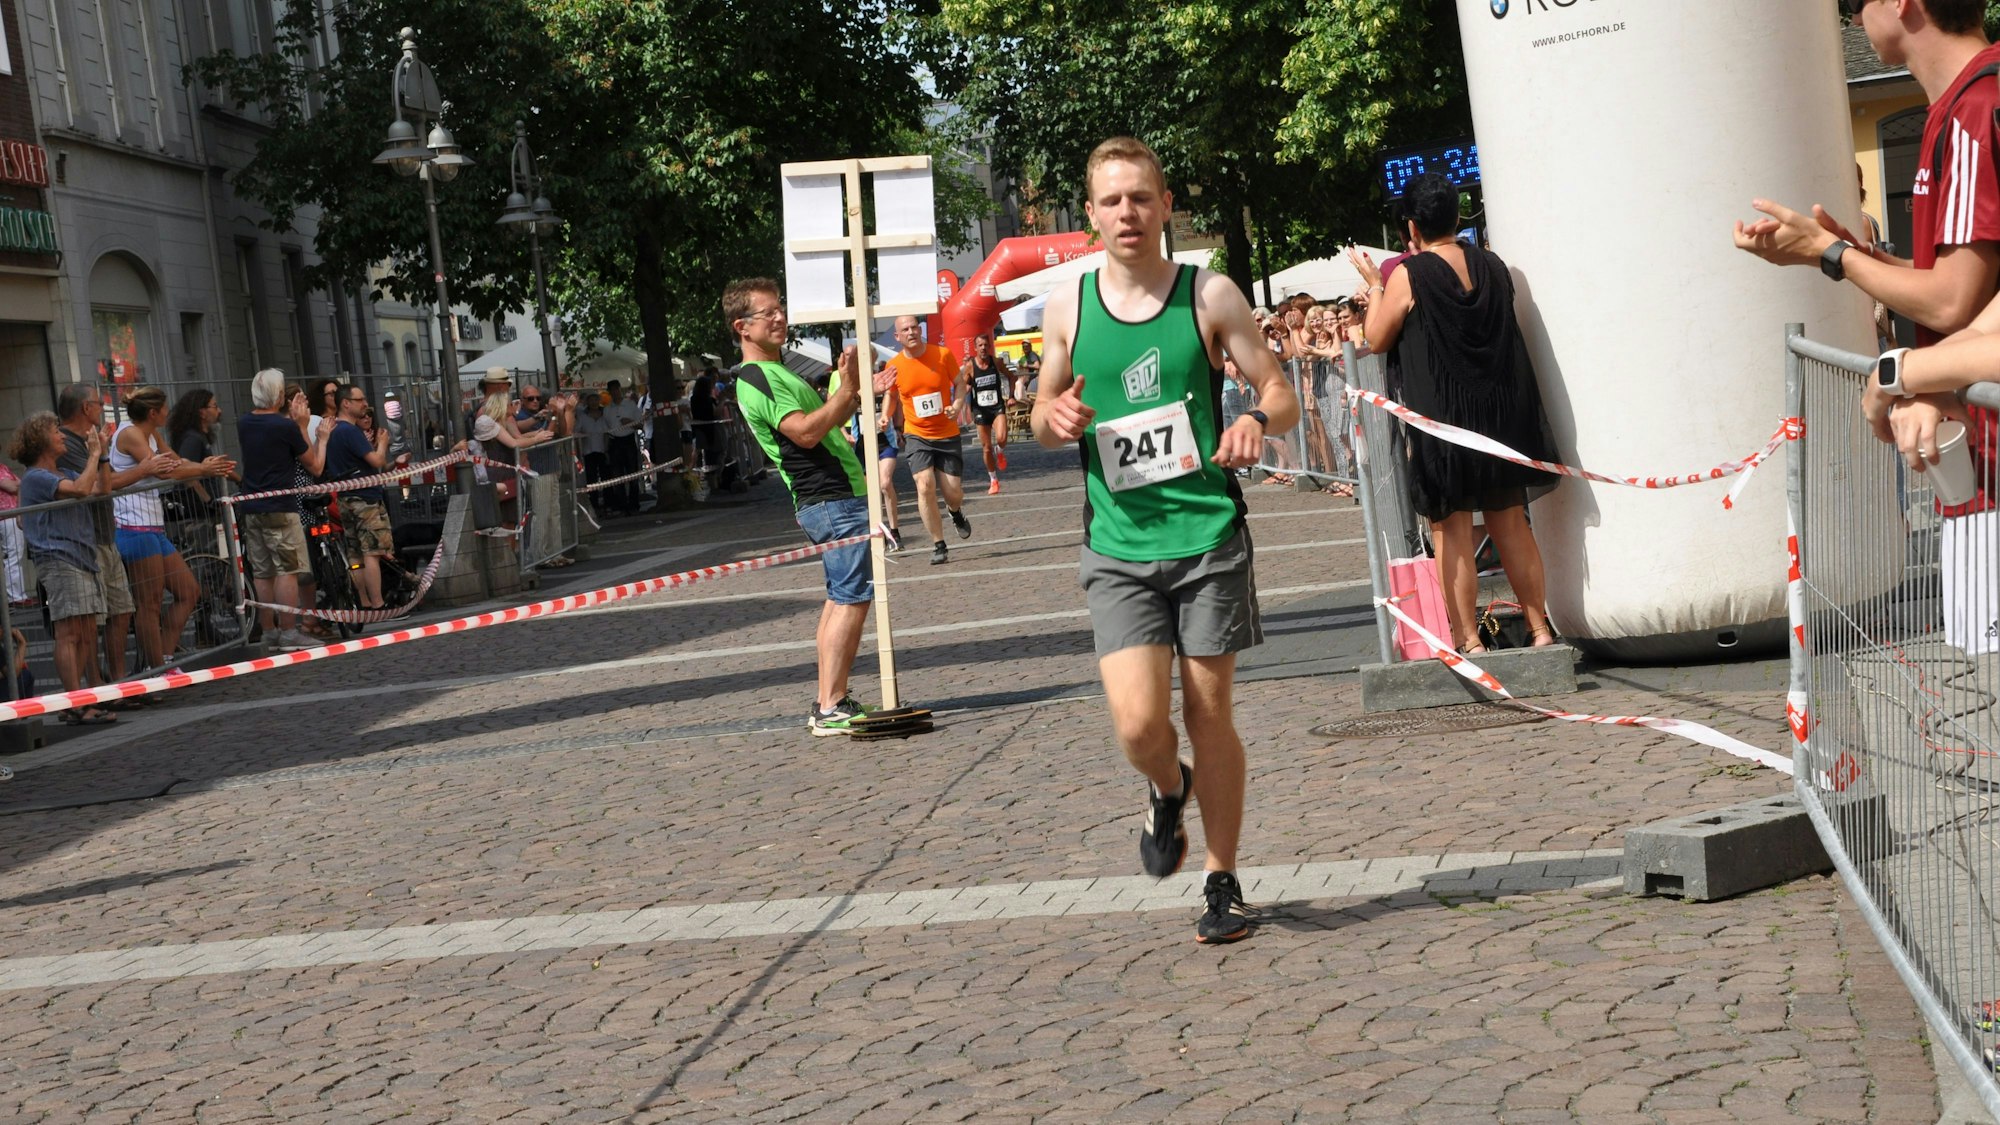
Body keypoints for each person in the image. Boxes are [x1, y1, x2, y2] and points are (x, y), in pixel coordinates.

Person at [1031, 136, 1298, 945]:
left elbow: (1280, 389)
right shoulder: (1070, 304)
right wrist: (1056, 416)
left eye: (1140, 198)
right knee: (1139, 725)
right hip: (1116, 545)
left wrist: (1255, 419)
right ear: (1090, 215)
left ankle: (1223, 878)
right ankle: (1165, 782)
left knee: (1209, 708)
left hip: (1207, 536)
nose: (1127, 213)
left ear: (1165, 204)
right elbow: (1043, 415)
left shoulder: (1209, 294)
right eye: (1111, 201)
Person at [1349, 171, 1560, 654]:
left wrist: (1376, 285)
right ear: (1459, 215)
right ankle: (1540, 630)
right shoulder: (1492, 264)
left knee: (1452, 529)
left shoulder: (1410, 273)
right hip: (1501, 414)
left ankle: (1470, 640)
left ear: (1411, 228)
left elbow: (1377, 338)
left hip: (1443, 420)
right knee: (1510, 520)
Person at [724, 277, 896, 735]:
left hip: (833, 496)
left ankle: (827, 699)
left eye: (780, 307)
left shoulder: (777, 372)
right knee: (851, 598)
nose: (780, 317)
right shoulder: (757, 377)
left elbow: (827, 421)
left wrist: (858, 389)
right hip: (830, 498)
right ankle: (831, 705)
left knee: (840, 598)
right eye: (768, 313)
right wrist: (847, 391)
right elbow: (805, 432)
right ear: (743, 327)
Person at [108, 386, 234, 671]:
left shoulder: (150, 432)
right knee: (149, 604)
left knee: (189, 592)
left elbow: (176, 461)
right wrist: (202, 470)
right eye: (164, 408)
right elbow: (169, 471)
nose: (169, 412)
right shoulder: (130, 434)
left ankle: (162, 659)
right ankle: (155, 668)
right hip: (134, 527)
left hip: (152, 526)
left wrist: (204, 465)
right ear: (153, 412)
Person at [11, 412, 115, 724]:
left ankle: (79, 700)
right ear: (40, 440)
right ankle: (75, 703)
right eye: (55, 430)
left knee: (83, 632)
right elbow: (83, 489)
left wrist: (104, 455)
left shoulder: (64, 471)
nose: (61, 435)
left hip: (78, 557)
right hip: (59, 559)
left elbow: (102, 489)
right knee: (69, 633)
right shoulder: (36, 477)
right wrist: (94, 454)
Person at [237, 369, 330, 653]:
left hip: (252, 507)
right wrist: (311, 431)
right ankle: (289, 632)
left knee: (263, 572)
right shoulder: (285, 427)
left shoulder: (244, 423)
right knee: (287, 570)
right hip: (281, 507)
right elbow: (314, 466)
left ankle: (270, 632)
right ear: (279, 396)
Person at [56, 384, 142, 686]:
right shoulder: (64, 444)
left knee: (122, 610)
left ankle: (117, 679)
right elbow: (95, 486)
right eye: (98, 402)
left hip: (105, 535)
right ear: (85, 408)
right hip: (86, 541)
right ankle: (95, 686)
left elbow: (104, 483)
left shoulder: (91, 440)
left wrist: (102, 454)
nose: (103, 407)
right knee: (93, 620)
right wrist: (145, 469)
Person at [886, 314, 971, 564]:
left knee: (953, 492)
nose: (911, 332)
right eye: (905, 329)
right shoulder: (893, 366)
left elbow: (960, 383)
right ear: (897, 336)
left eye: (914, 327)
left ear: (919, 330)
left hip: (946, 434)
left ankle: (954, 512)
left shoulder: (942, 355)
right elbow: (891, 396)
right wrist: (885, 416)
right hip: (916, 434)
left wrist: (956, 404)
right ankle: (938, 544)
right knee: (924, 486)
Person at [322, 384, 396, 613]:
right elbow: (376, 461)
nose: (365, 403)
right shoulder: (350, 431)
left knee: (355, 556)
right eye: (360, 399)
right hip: (365, 499)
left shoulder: (333, 430)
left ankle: (363, 602)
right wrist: (383, 443)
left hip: (345, 499)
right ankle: (378, 604)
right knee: (372, 552)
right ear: (346, 403)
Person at [848, 363, 905, 552]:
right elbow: (839, 413)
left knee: (885, 483)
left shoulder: (883, 384)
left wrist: (887, 419)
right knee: (867, 492)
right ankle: (877, 531)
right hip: (862, 446)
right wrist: (843, 433)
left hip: (885, 443)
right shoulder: (852, 388)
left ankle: (894, 530)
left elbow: (892, 399)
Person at [964, 334, 1014, 494]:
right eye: (980, 345)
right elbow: (964, 385)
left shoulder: (996, 362)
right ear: (975, 348)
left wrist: (1012, 396)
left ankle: (1000, 451)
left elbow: (1011, 377)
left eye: (986, 345)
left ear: (990, 347)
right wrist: (962, 400)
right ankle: (993, 480)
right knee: (986, 448)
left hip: (996, 406)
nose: (983, 348)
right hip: (980, 409)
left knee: (1002, 438)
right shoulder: (970, 366)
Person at [603, 378, 644, 515]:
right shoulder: (607, 410)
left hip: (629, 440)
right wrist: (606, 448)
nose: (615, 392)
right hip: (615, 442)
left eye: (617, 389)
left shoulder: (630, 405)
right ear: (609, 392)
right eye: (612, 390)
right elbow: (605, 430)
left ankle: (634, 504)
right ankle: (622, 505)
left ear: (620, 389)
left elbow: (641, 424)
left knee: (633, 473)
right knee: (617, 475)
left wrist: (631, 422)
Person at [0, 460, 22, 606]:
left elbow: (20, 484)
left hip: (10, 515)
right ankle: (15, 596)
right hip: (7, 515)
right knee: (13, 556)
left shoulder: (3, 467)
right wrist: (20, 485)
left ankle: (16, 594)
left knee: (13, 555)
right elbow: (14, 486)